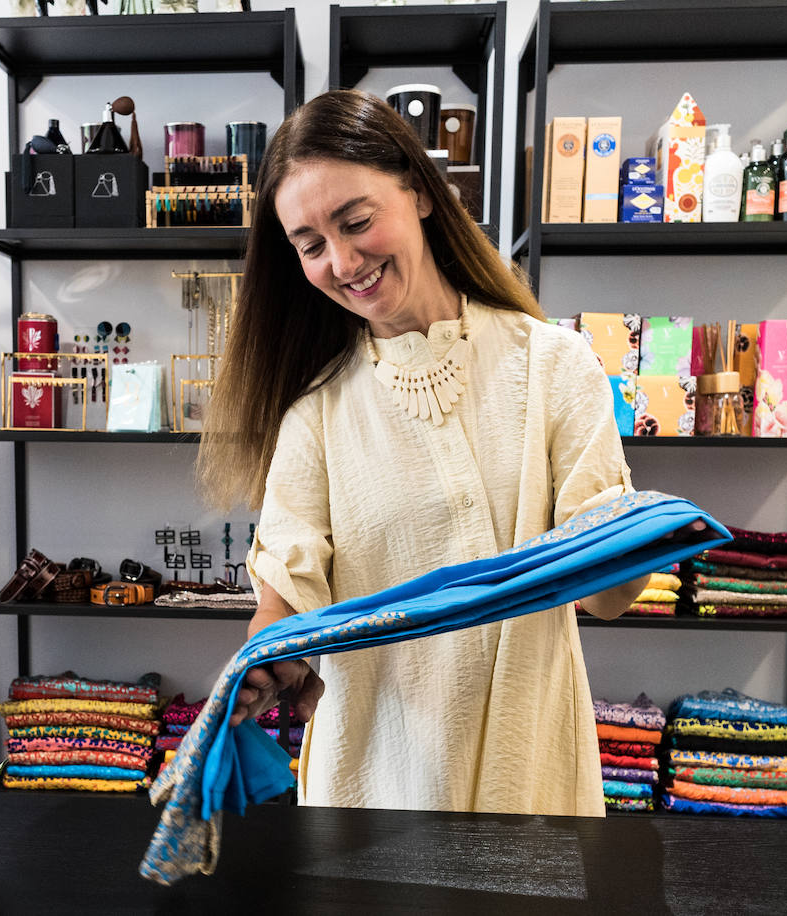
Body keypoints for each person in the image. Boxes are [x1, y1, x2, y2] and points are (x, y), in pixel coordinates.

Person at [196, 90, 649, 816]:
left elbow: (607, 596)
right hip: (372, 784)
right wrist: (266, 665)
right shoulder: (316, 413)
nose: (342, 261)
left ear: (420, 192)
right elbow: (287, 594)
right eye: (311, 245)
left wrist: (637, 539)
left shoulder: (554, 365)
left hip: (528, 772)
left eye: (356, 221)